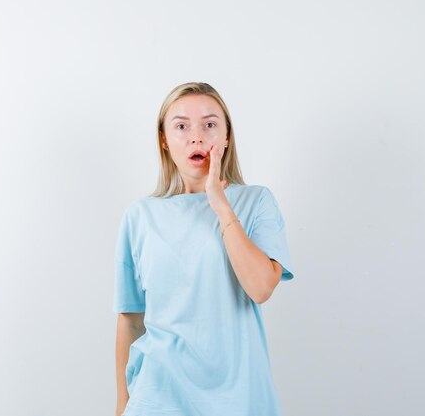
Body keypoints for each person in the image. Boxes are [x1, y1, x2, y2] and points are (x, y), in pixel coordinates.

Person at [113, 82, 295, 416]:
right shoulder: (140, 216)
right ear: (164, 140)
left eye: (209, 124)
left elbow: (260, 288)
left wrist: (220, 205)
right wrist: (123, 405)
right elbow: (131, 319)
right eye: (181, 126)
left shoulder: (256, 202)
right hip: (156, 397)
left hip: (237, 399)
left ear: (226, 137)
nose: (196, 136)